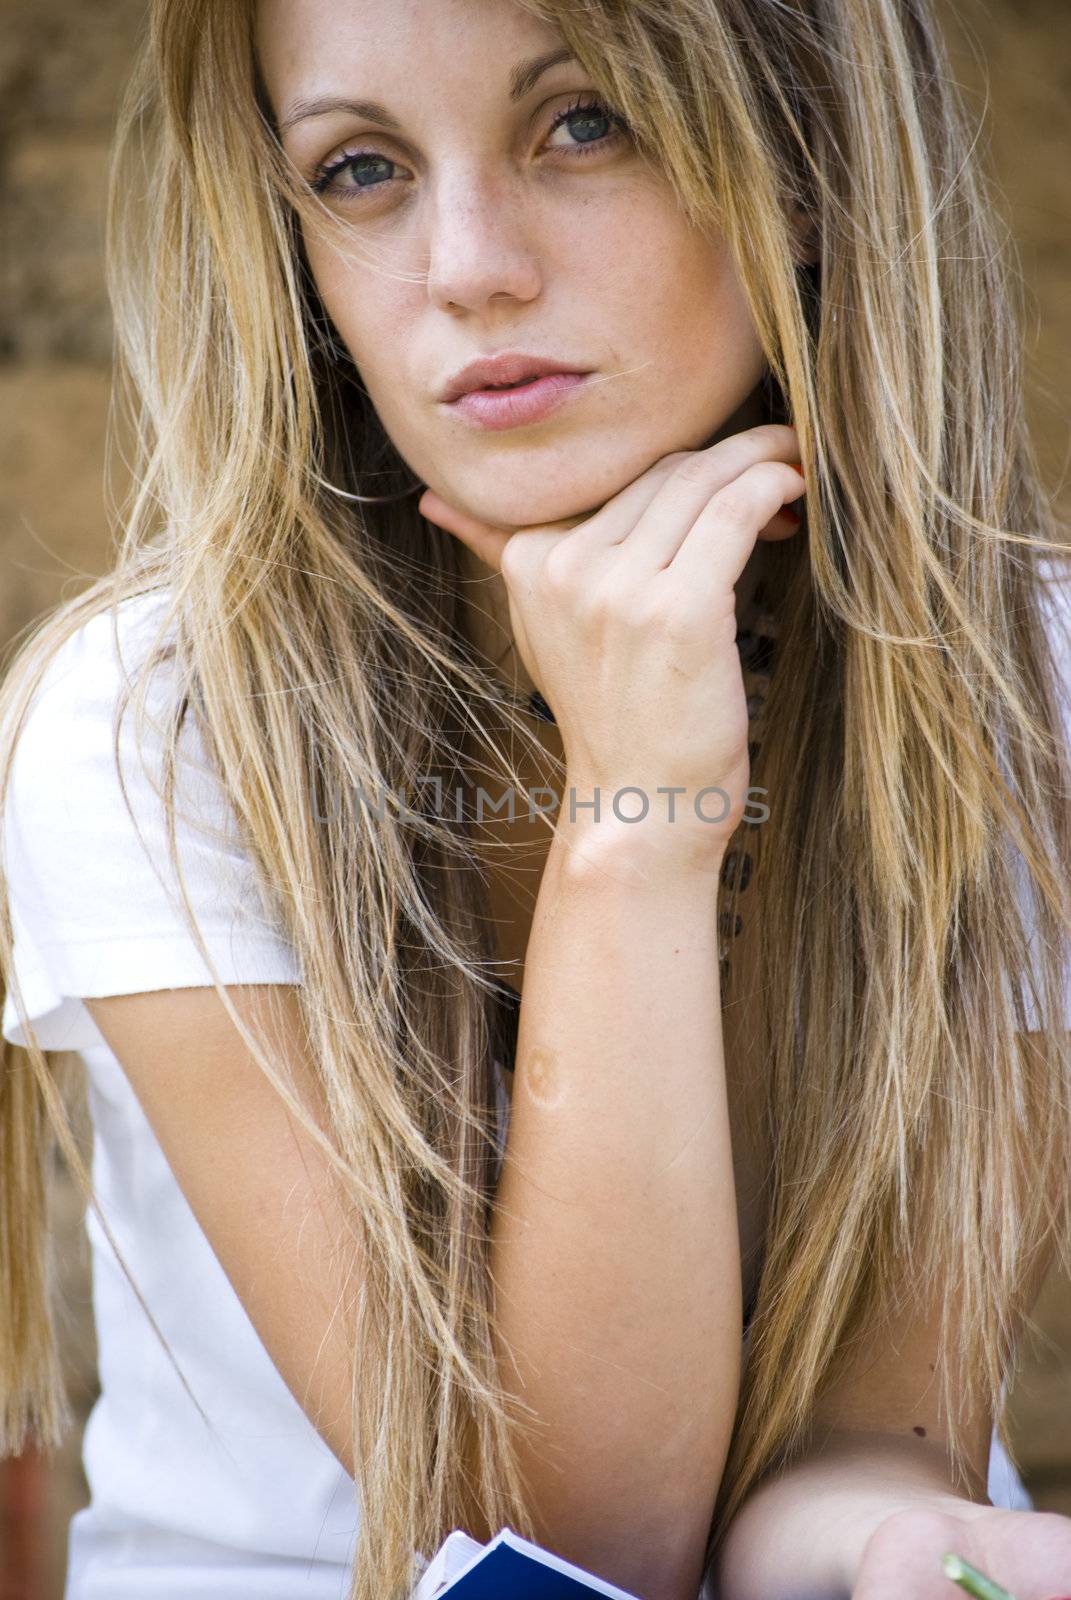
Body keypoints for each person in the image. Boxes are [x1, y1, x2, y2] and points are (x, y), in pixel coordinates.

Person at [1, 1, 1070, 1598]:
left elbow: (873, 1444)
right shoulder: (157, 719)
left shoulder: (1023, 674)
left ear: (805, 166)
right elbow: (558, 1558)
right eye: (360, 169)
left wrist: (915, 1546)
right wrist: (641, 817)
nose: (469, 264)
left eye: (586, 125)